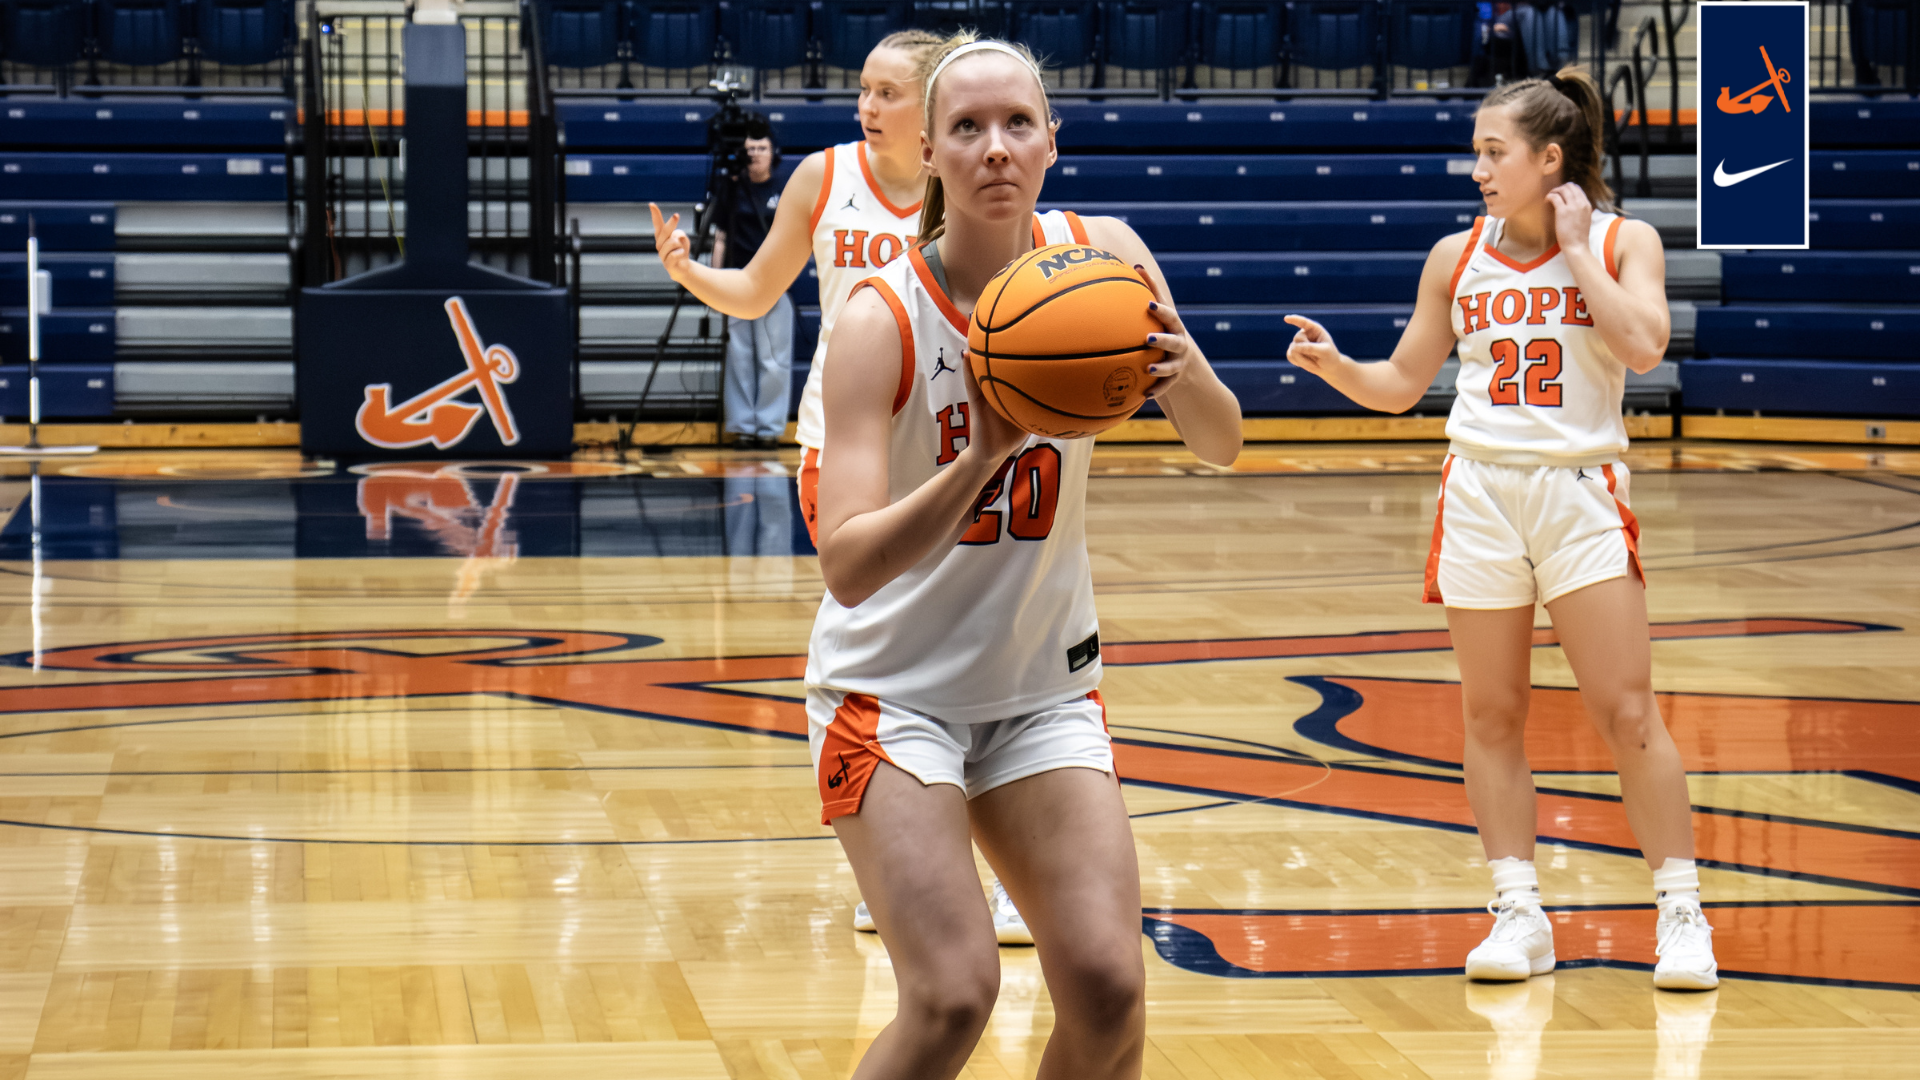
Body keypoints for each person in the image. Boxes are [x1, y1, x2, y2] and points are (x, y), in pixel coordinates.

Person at [809, 32, 1242, 1077]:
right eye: (967, 127)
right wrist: (985, 455)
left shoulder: (1110, 260)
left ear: (1052, 143)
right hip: (891, 695)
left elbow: (1221, 441)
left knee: (1108, 986)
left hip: (1042, 693)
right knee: (955, 994)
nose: (994, 148)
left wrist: (1180, 372)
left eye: (1016, 125)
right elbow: (848, 565)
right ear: (927, 151)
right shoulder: (881, 319)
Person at [1281, 67, 1719, 992]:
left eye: (1493, 151)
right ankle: (1518, 909)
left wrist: (1577, 251)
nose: (1475, 167)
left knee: (1627, 711)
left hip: (1579, 490)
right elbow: (1403, 386)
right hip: (1479, 491)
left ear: (1549, 159)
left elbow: (1644, 347)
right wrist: (1335, 368)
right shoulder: (1455, 256)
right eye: (1476, 151)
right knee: (1491, 713)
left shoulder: (1623, 238)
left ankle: (1680, 910)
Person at [648, 29, 1036, 942]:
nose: (866, 107)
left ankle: (1016, 860)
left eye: (887, 92)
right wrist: (688, 272)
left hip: (970, 428)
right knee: (894, 641)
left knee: (990, 636)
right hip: (848, 441)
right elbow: (756, 291)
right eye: (862, 91)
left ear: (931, 105)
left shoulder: (987, 186)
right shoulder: (823, 178)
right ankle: (904, 860)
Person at [710, 122, 793, 449]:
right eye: (750, 149)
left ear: (773, 152)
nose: (756, 154)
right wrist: (714, 282)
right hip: (736, 281)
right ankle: (743, 426)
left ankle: (769, 428)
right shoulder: (730, 188)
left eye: (761, 148)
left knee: (774, 359)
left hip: (775, 280)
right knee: (740, 355)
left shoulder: (784, 189)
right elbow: (720, 237)